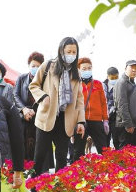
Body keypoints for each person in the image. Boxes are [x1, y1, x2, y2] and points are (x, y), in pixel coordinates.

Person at [29, 37, 85, 182]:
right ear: (61, 51)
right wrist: (42, 97)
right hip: (47, 117)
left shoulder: (76, 73)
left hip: (65, 120)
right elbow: (33, 85)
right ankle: (34, 186)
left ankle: (59, 186)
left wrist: (81, 121)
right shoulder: (48, 65)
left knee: (61, 156)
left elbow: (79, 98)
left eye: (74, 52)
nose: (71, 54)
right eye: (68, 51)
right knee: (40, 156)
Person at [13, 51, 54, 172]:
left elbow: (49, 97)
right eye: (33, 65)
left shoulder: (46, 79)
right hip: (25, 117)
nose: (35, 68)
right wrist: (24, 109)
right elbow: (15, 95)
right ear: (28, 66)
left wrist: (36, 111)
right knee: (24, 144)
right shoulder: (21, 78)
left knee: (41, 145)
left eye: (38, 66)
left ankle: (43, 171)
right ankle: (26, 171)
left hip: (41, 117)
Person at [73, 57, 108, 161]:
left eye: (89, 68)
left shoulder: (98, 84)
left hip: (96, 120)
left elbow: (103, 103)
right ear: (78, 69)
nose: (87, 70)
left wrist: (105, 120)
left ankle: (109, 170)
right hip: (81, 121)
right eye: (84, 68)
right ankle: (76, 172)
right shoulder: (75, 84)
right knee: (78, 150)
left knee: (103, 149)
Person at [114, 60, 136, 149]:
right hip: (127, 126)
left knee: (134, 154)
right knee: (126, 154)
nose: (134, 70)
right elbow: (122, 105)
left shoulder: (131, 82)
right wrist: (128, 124)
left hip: (135, 125)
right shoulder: (122, 83)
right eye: (132, 68)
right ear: (125, 69)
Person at [103, 66, 119, 148]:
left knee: (117, 140)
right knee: (105, 141)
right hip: (105, 117)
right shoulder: (102, 86)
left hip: (116, 117)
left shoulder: (120, 85)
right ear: (107, 77)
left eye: (116, 77)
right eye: (112, 78)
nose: (114, 79)